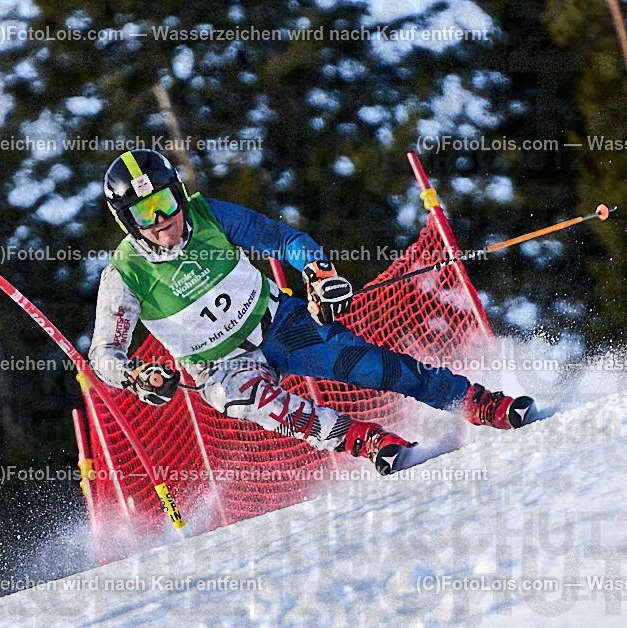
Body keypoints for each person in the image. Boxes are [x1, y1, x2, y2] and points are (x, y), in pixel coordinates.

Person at [89, 150, 534, 475]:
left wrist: (318, 274)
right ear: (127, 221)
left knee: (368, 366)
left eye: (166, 202)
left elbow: (284, 240)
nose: (162, 219)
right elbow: (104, 354)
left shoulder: (207, 215)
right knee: (261, 404)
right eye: (145, 213)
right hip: (222, 367)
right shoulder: (125, 275)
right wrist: (135, 377)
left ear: (179, 195)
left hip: (279, 323)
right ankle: (370, 441)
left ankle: (474, 401)